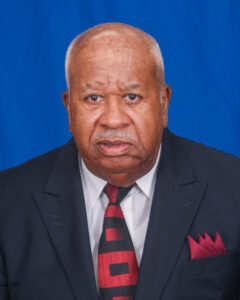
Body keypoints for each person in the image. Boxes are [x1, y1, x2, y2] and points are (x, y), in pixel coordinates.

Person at [0, 22, 240, 300]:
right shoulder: (6, 202)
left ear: (163, 103)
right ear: (69, 107)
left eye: (132, 96)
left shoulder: (233, 188)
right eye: (93, 98)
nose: (113, 119)